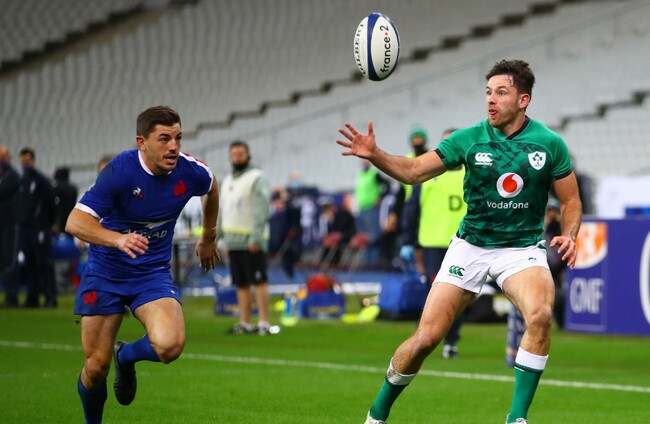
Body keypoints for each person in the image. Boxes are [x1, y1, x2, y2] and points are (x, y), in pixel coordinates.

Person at [336, 59, 581, 424]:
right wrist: (376, 155)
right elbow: (414, 172)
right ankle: (377, 413)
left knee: (541, 315)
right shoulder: (467, 139)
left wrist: (570, 234)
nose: (491, 100)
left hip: (521, 250)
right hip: (470, 247)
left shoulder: (549, 144)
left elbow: (571, 200)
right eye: (488, 92)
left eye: (501, 92)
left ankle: (516, 418)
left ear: (523, 100)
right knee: (426, 338)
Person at [66, 105, 220, 424]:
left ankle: (126, 356)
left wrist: (209, 236)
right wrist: (117, 239)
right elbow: (75, 222)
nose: (174, 146)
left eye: (178, 138)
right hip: (105, 274)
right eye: (164, 139)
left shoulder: (190, 171)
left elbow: (211, 185)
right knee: (95, 368)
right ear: (142, 142)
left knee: (170, 345)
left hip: (151, 274)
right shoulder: (120, 172)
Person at [399, 128, 467, 359]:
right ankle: (424, 337)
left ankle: (450, 341)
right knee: (434, 294)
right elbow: (412, 208)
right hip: (432, 244)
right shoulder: (429, 174)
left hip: (462, 245)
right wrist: (408, 241)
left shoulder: (472, 172)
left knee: (456, 296)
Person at [217, 140, 272, 335]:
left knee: (259, 281)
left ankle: (263, 322)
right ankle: (245, 322)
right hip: (233, 241)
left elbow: (262, 209)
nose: (237, 158)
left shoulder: (256, 177)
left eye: (240, 154)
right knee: (240, 283)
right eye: (234, 155)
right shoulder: (227, 180)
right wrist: (217, 236)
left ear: (248, 155)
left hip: (251, 240)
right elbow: (222, 212)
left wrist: (256, 237)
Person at [18, 147, 57, 307]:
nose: (25, 164)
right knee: (30, 264)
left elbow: (51, 203)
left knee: (43, 263)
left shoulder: (42, 181)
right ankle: (32, 298)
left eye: (27, 161)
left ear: (33, 161)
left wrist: (50, 223)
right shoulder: (23, 181)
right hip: (26, 229)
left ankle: (50, 297)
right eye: (23, 162)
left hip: (40, 228)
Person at [0, 145, 21, 307]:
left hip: (10, 225)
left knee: (10, 261)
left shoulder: (12, 177)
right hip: (3, 225)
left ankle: (12, 296)